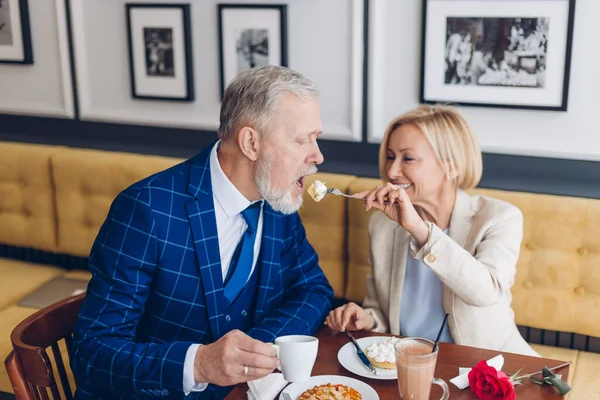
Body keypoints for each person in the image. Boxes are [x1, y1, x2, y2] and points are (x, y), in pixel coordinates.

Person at [71, 65, 334, 399]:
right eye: (301, 141)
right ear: (251, 143)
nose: (318, 156)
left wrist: (260, 348)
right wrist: (198, 364)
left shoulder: (277, 200)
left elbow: (313, 288)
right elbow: (91, 354)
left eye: (316, 138)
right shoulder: (145, 210)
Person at [326, 105, 538, 357]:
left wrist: (419, 229)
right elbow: (381, 310)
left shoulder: (499, 218)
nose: (391, 172)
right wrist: (367, 319)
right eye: (391, 156)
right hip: (407, 362)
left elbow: (486, 292)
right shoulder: (382, 224)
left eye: (408, 158)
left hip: (488, 364)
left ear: (451, 166)